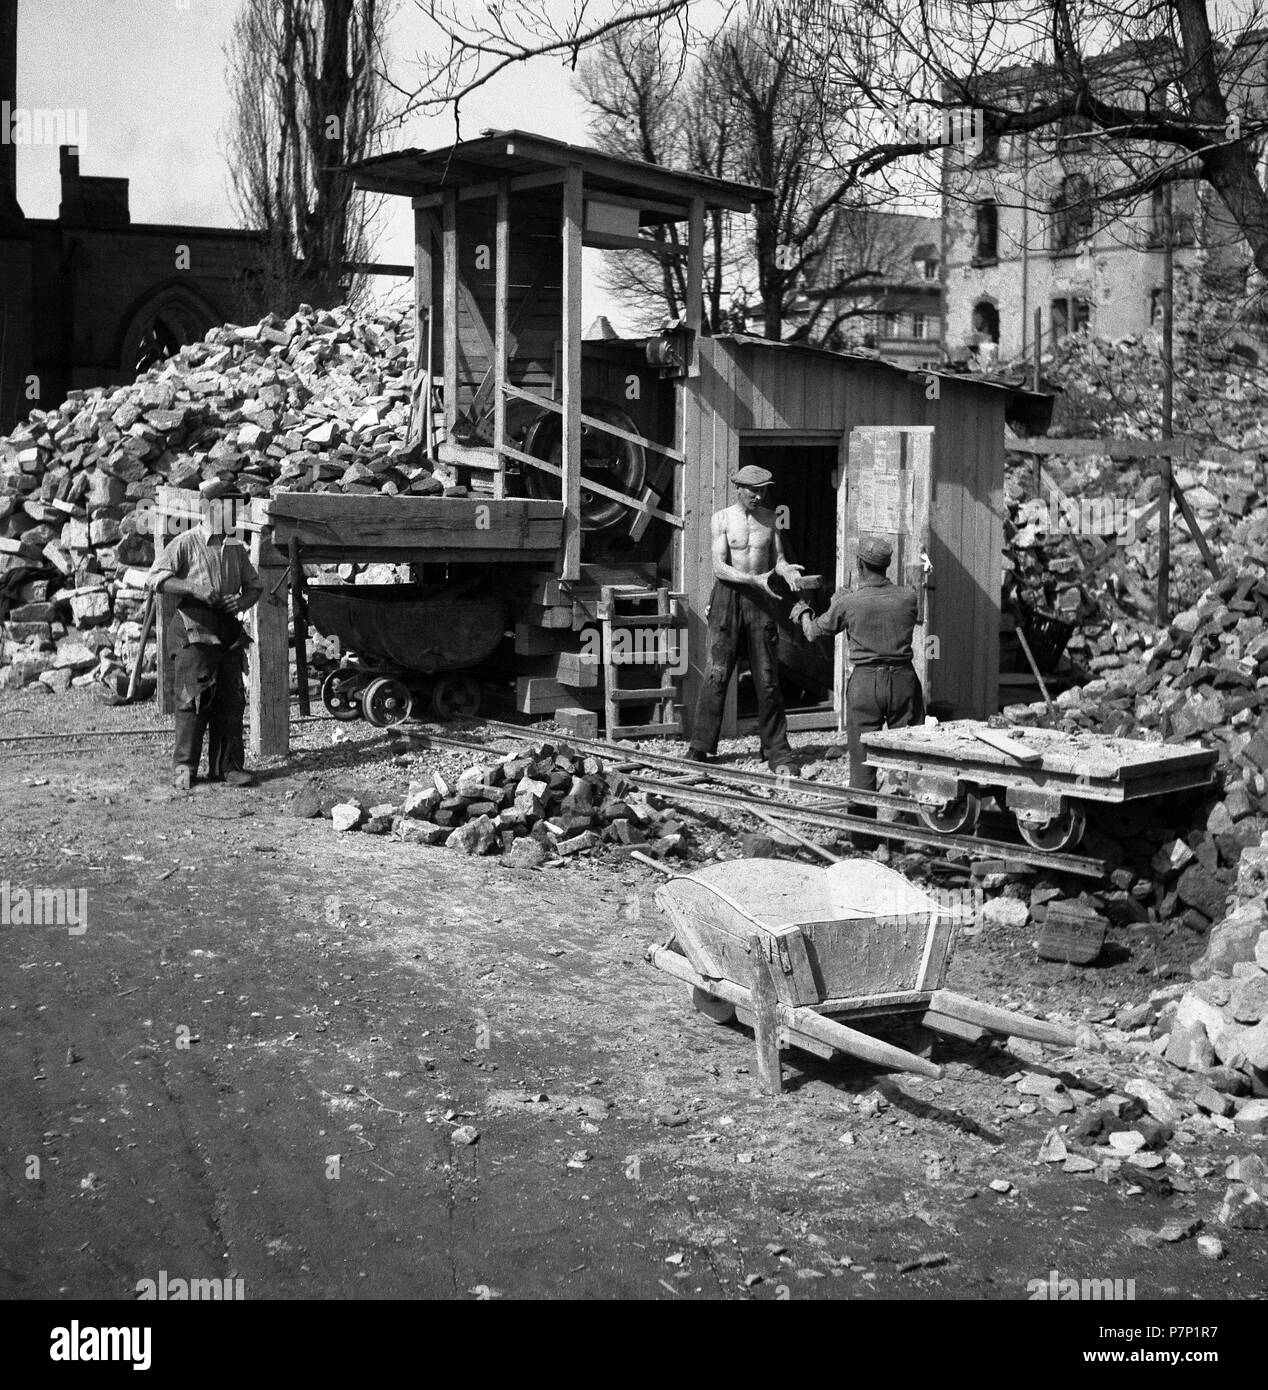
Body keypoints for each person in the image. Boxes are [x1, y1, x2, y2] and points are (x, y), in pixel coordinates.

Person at [686, 464, 804, 773]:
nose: (757, 494)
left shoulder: (770, 519)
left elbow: (777, 559)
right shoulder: (722, 519)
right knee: (717, 674)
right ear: (738, 488)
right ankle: (699, 748)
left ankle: (776, 750)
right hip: (728, 597)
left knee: (767, 678)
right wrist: (753, 580)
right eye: (752, 489)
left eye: (763, 489)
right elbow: (719, 567)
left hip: (761, 600)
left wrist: (786, 569)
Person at [147, 482, 263, 791]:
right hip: (192, 628)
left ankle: (228, 768)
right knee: (192, 700)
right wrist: (195, 588)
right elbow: (157, 579)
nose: (236, 513)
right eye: (231, 506)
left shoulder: (235, 548)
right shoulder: (186, 543)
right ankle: (184, 768)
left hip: (227, 630)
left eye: (238, 507)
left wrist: (241, 602)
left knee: (231, 701)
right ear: (211, 508)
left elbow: (255, 586)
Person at [791, 536, 923, 795]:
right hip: (903, 682)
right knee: (906, 757)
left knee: (861, 761)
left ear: (860, 565)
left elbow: (813, 633)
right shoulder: (908, 597)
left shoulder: (849, 602)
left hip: (865, 684)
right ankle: (905, 820)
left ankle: (862, 830)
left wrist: (804, 611)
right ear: (886, 565)